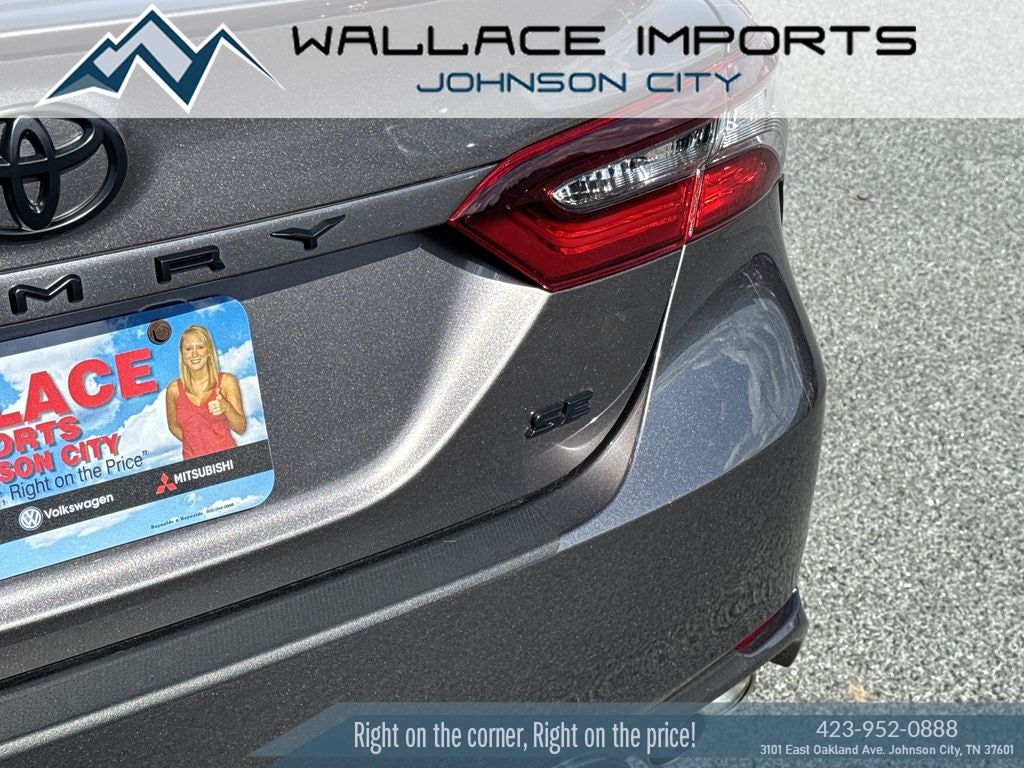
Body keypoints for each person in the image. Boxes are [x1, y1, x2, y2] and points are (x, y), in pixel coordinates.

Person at [165, 325, 246, 460]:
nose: (194, 354)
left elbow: (241, 427)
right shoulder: (173, 390)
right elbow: (173, 425)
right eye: (188, 349)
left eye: (200, 347)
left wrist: (226, 407)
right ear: (182, 354)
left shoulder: (227, 382)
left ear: (209, 351)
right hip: (193, 466)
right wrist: (196, 442)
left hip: (229, 461)